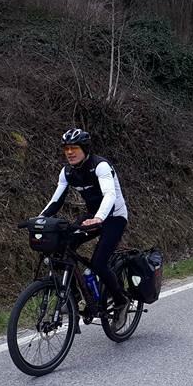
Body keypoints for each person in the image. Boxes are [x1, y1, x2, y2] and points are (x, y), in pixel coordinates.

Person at [39, 128, 129, 314]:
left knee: (99, 263)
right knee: (61, 248)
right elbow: (56, 200)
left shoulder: (100, 166)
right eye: (66, 148)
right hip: (92, 216)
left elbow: (110, 195)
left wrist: (98, 218)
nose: (69, 152)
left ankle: (121, 301)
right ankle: (73, 296)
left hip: (114, 217)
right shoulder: (67, 172)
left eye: (74, 148)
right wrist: (40, 218)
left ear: (85, 149)